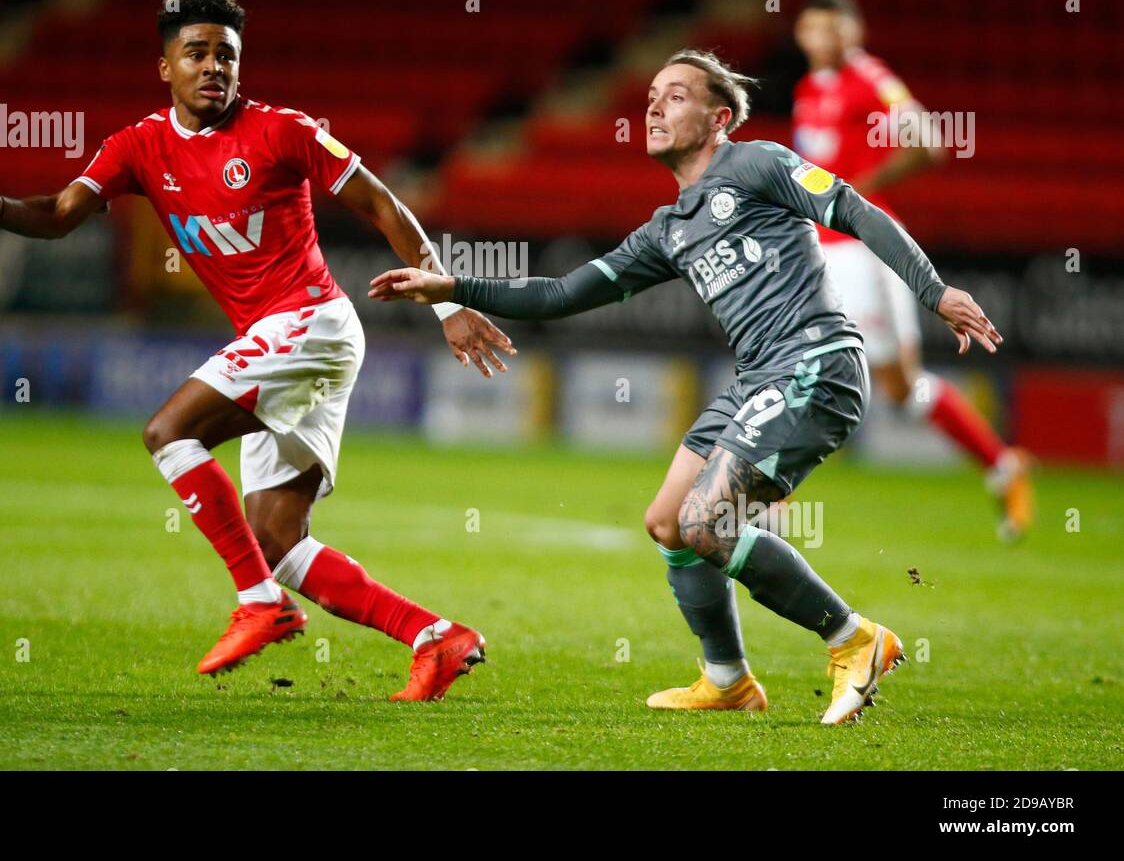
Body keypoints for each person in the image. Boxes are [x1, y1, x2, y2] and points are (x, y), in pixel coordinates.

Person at [370, 49, 1004, 724]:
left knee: (708, 522)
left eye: (674, 95)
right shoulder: (667, 230)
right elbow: (560, 293)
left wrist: (933, 291)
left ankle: (854, 639)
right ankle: (727, 679)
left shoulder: (758, 163)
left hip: (816, 362)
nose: (653, 106)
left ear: (718, 117)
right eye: (650, 95)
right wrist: (453, 288)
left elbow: (855, 209)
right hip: (759, 378)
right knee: (671, 523)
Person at [0, 0, 515, 701]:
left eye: (226, 56)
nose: (214, 67)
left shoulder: (282, 130)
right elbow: (58, 216)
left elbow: (383, 204)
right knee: (275, 541)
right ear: (165, 66)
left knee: (168, 430)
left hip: (311, 322)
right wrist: (0, 211)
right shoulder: (138, 146)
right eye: (197, 54)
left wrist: (448, 303)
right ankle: (437, 638)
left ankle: (260, 605)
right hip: (279, 339)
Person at [793, 0, 1033, 540]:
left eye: (833, 28)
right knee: (893, 386)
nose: (822, 39)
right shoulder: (810, 88)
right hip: (825, 248)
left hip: (863, 250)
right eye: (811, 28)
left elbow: (928, 140)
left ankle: (765, 497)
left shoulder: (870, 78)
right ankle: (1001, 463)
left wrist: (863, 191)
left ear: (854, 32)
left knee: (831, 367)